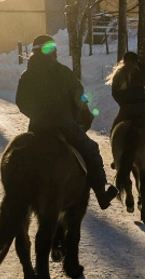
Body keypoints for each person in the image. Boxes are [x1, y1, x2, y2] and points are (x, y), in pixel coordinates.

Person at [15, 35, 117, 209]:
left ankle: (16, 199)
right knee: (92, 149)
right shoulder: (63, 72)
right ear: (51, 50)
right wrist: (74, 116)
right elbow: (79, 98)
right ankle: (102, 195)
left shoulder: (27, 75)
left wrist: (38, 116)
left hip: (37, 128)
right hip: (64, 125)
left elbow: (21, 102)